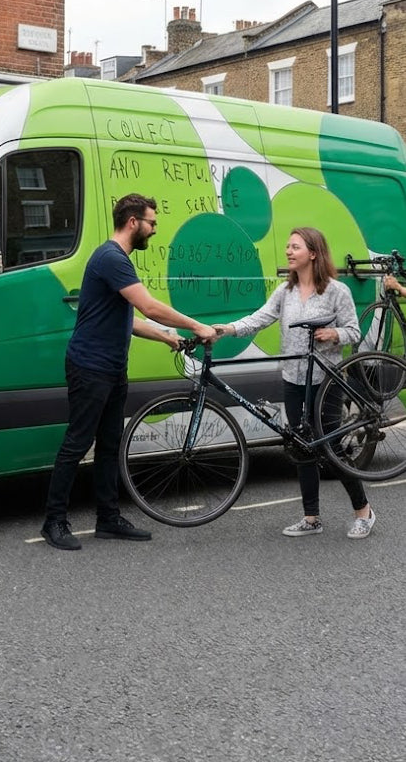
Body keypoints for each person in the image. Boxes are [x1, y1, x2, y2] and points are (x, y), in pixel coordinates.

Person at [41, 194, 217, 551]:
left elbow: (129, 319)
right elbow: (149, 306)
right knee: (77, 443)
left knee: (109, 445)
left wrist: (168, 338)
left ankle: (108, 519)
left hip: (110, 368)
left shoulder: (117, 260)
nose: (154, 230)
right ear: (133, 222)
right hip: (90, 367)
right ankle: (53, 522)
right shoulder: (111, 257)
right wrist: (197, 326)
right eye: (152, 223)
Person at [214, 227, 375, 540]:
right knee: (301, 448)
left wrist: (334, 334)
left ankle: (364, 512)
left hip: (325, 381)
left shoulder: (336, 291)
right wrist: (227, 329)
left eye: (295, 247)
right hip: (293, 379)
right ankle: (311, 518)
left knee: (332, 449)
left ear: (313, 253)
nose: (288, 251)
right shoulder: (284, 292)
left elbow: (355, 332)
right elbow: (258, 319)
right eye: (288, 246)